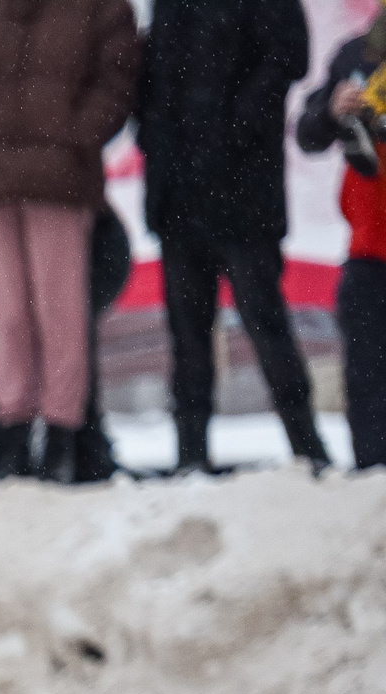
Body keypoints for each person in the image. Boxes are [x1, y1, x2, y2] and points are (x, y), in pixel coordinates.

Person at [0, 0, 139, 482]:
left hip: (57, 175)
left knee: (60, 312)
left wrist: (73, 133)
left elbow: (119, 77)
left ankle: (62, 435)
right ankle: (11, 427)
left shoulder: (100, 8)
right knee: (6, 314)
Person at [139, 0, 324, 477]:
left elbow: (289, 55)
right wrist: (158, 145)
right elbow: (152, 80)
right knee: (187, 332)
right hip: (179, 192)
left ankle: (308, 451)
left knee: (264, 318)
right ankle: (190, 456)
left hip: (244, 188)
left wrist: (238, 126)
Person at [299, 15, 386, 471]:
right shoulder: (358, 55)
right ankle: (373, 483)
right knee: (367, 380)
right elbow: (307, 133)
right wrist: (334, 111)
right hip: (369, 251)